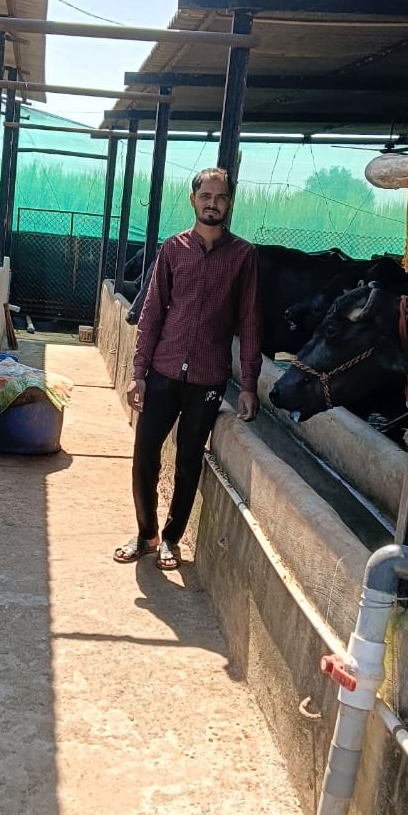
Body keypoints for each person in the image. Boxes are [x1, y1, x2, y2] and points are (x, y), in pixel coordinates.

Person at [113, 167, 262, 571]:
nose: (213, 203)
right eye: (206, 196)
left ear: (230, 204)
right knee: (145, 452)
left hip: (208, 378)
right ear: (193, 199)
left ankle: (172, 540)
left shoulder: (243, 256)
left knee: (189, 460)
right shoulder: (172, 249)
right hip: (162, 372)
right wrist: (138, 372)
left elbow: (249, 322)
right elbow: (151, 314)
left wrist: (248, 383)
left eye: (221, 197)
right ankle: (147, 534)